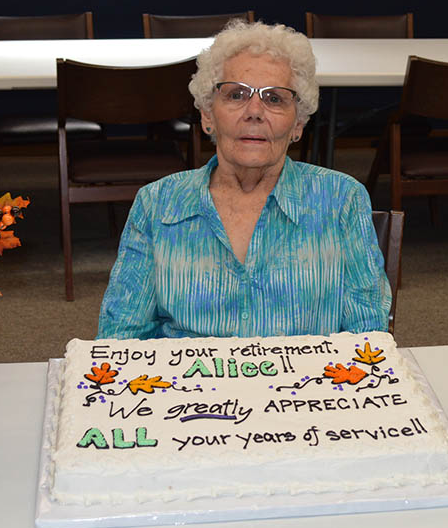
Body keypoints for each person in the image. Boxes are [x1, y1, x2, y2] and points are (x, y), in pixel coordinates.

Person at [97, 20, 390, 339]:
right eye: (236, 95)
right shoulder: (157, 204)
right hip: (188, 387)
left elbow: (369, 337)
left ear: (298, 123)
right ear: (208, 115)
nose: (254, 111)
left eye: (275, 99)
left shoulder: (342, 200)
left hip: (306, 387)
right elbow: (119, 340)